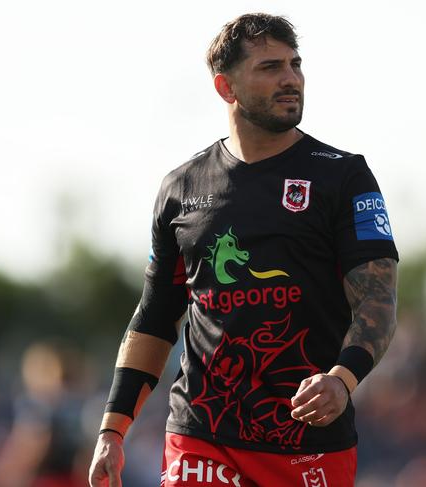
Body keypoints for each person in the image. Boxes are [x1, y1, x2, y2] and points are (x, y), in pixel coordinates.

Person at [89, 13, 398, 487]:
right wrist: (113, 428)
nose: (291, 78)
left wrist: (341, 379)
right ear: (224, 87)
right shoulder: (180, 188)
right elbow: (154, 317)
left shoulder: (343, 176)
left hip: (307, 442)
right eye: (270, 67)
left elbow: (377, 300)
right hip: (201, 432)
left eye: (295, 65)